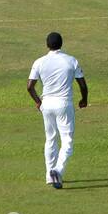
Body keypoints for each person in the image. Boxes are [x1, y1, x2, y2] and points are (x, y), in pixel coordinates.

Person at [26, 31, 87, 189]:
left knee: (50, 139)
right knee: (67, 141)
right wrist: (84, 100)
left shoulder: (39, 62)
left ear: (47, 45)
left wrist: (39, 102)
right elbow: (82, 84)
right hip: (64, 104)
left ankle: (49, 175)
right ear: (61, 44)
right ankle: (57, 171)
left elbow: (29, 86)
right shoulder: (71, 60)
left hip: (47, 104)